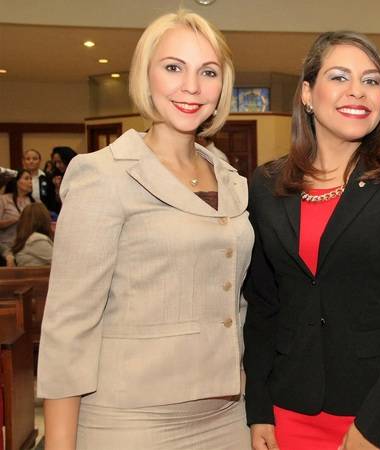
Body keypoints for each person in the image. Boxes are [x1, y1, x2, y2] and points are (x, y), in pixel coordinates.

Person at [37, 10, 253, 450]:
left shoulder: (232, 179)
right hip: (129, 422)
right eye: (173, 67)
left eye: (207, 72)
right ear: (146, 75)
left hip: (229, 418)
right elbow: (68, 327)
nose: (191, 86)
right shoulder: (103, 174)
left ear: (221, 87)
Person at [243, 31, 380, 450]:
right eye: (339, 77)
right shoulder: (266, 184)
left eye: (372, 80)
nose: (357, 91)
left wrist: (375, 425)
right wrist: (259, 409)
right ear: (307, 93)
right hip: (290, 413)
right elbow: (265, 306)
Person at [0, 169, 35, 250]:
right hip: (7, 244)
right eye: (26, 179)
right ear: (17, 182)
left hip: (29, 244)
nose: (30, 182)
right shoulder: (3, 199)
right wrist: (16, 219)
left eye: (31, 179)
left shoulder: (33, 201)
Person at [11, 202, 53, 266]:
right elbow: (61, 262)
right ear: (44, 219)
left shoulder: (27, 238)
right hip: (40, 275)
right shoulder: (37, 239)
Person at [23, 148, 59, 213]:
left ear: (40, 161)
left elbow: (53, 200)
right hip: (24, 213)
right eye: (28, 159)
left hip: (45, 213)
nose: (31, 161)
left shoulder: (48, 177)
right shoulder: (18, 178)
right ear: (23, 161)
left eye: (35, 159)